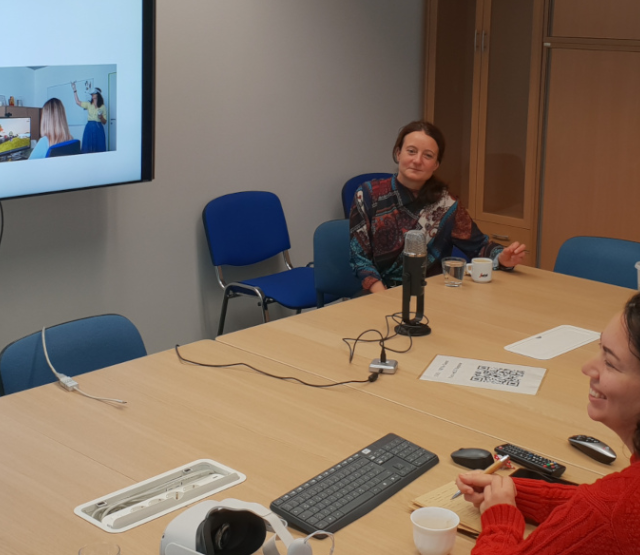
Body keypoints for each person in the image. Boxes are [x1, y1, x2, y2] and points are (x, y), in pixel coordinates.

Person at [456, 292, 640, 554]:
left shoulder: (607, 512)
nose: (587, 366)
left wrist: (500, 519)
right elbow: (614, 510)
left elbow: (606, 514)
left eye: (610, 362)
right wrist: (514, 494)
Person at [349, 121, 526, 293]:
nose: (417, 160)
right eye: (411, 151)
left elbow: (479, 247)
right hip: (377, 294)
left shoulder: (446, 204)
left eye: (427, 155)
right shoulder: (368, 194)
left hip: (429, 297)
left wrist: (502, 258)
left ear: (436, 164)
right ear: (398, 154)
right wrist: (384, 296)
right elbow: (360, 259)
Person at [71, 82, 107, 153]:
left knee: (99, 147)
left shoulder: (102, 107)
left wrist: (101, 117)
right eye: (92, 94)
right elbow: (77, 102)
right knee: (88, 146)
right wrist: (74, 90)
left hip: (98, 128)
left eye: (94, 93)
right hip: (89, 127)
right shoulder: (88, 104)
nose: (92, 95)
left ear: (98, 95)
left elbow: (105, 122)